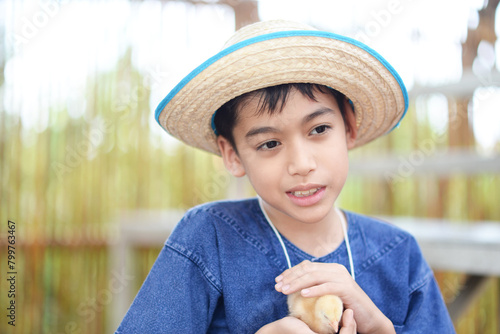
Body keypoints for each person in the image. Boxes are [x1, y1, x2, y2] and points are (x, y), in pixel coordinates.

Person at [116, 20, 455, 334]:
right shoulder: (209, 238)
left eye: (319, 129)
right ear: (233, 155)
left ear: (349, 126)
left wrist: (379, 327)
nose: (301, 164)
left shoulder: (399, 257)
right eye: (269, 143)